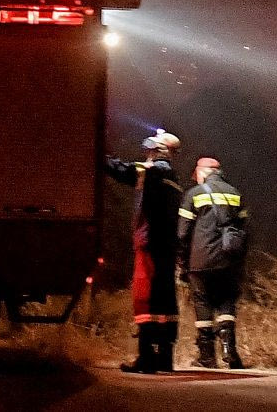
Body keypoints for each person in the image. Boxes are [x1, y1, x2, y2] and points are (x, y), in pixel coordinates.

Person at [105, 130, 184, 373]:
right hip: (167, 245)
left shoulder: (151, 171)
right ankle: (165, 358)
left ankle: (147, 357)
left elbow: (122, 170)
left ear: (157, 150)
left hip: (149, 241)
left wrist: (98, 154)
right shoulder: (174, 178)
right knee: (165, 299)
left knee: (146, 296)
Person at [177, 156, 250, 369]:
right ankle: (230, 351)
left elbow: (182, 233)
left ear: (202, 173)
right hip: (228, 260)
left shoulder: (194, 194)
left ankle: (207, 356)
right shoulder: (235, 193)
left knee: (202, 302)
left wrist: (182, 260)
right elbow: (244, 230)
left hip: (200, 260)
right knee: (226, 301)